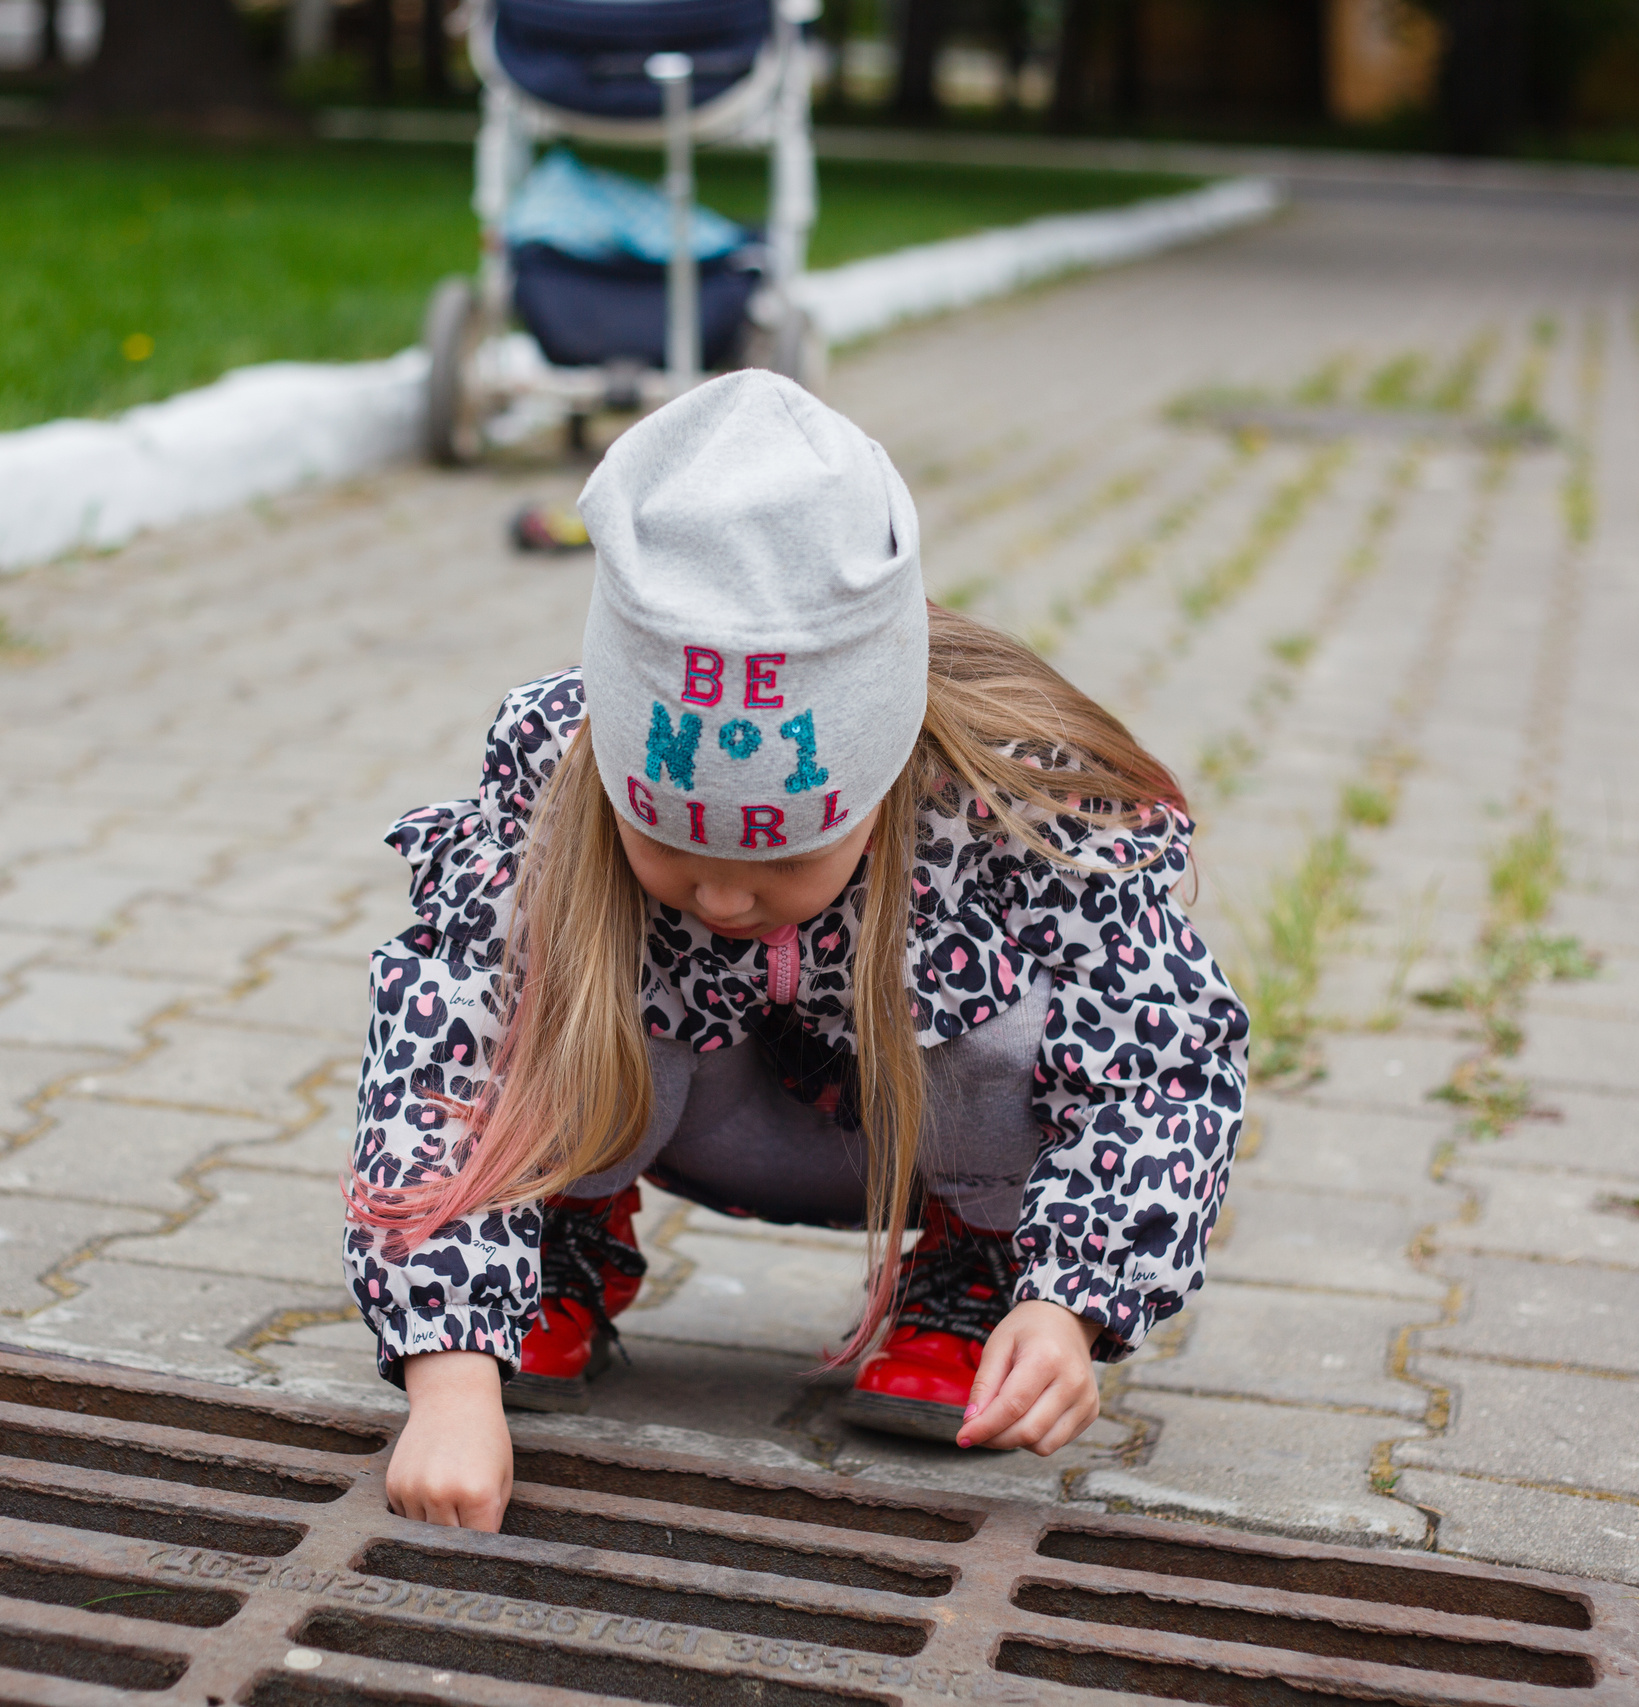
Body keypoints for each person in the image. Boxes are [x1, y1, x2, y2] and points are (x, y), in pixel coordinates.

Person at [344, 370, 1248, 1532]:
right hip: (676, 1112)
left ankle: (977, 1279)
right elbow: (440, 1068)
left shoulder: (1014, 806)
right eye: (665, 845)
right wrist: (449, 1377)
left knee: (1047, 1010)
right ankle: (559, 1236)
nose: (723, 896)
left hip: (920, 1139)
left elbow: (1160, 1069)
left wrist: (1072, 1300)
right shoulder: (553, 783)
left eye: (786, 861)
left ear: (877, 777)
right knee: (544, 961)